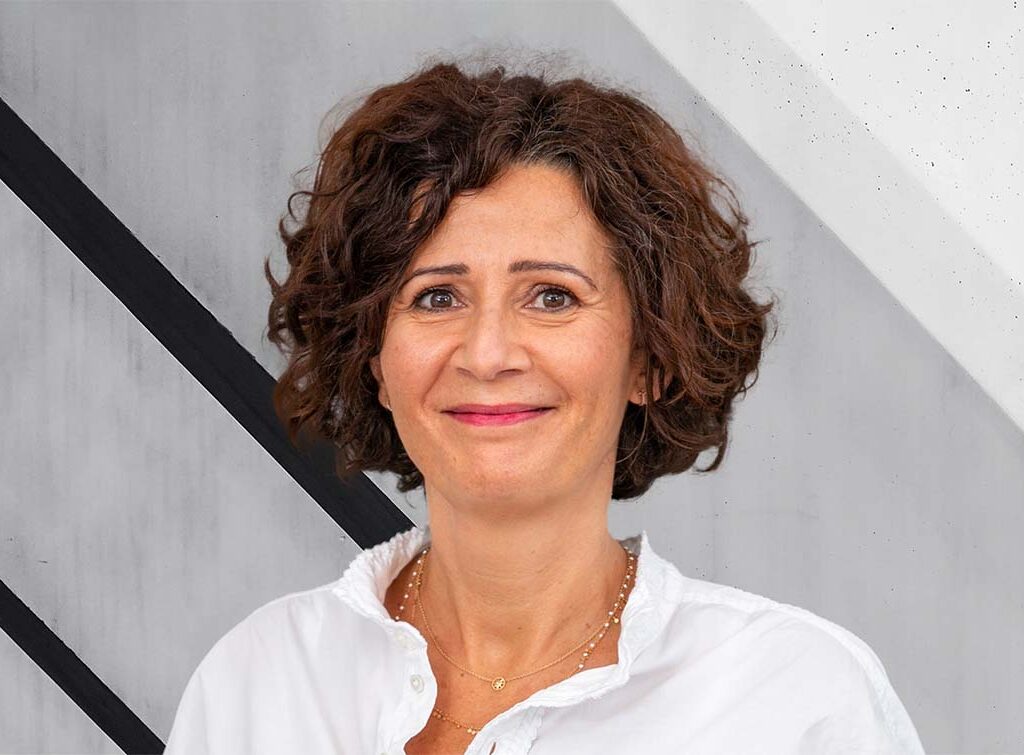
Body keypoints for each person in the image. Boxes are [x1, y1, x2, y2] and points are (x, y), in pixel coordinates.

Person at [165, 57, 926, 754]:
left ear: (650, 357)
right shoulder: (256, 685)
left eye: (552, 296)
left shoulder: (799, 703)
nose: (487, 353)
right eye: (437, 297)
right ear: (376, 362)